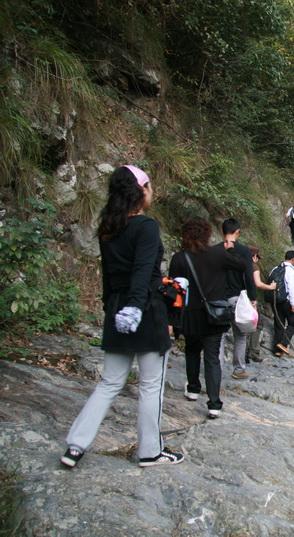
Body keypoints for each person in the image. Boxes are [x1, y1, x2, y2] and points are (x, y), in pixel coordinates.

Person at [61, 165, 184, 468]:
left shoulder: (108, 228)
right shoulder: (146, 226)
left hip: (117, 310)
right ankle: (150, 451)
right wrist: (137, 307)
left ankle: (75, 446)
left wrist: (111, 309)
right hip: (145, 310)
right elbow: (143, 272)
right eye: (150, 187)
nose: (152, 192)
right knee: (150, 385)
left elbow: (109, 277)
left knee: (109, 383)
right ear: (140, 191)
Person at [169, 217, 246, 419]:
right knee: (212, 358)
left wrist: (171, 319)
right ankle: (214, 404)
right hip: (214, 315)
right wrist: (230, 249)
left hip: (190, 314)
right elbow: (241, 265)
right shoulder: (217, 254)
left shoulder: (179, 258)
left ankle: (193, 388)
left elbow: (173, 291)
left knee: (192, 350)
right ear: (207, 234)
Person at [217, 218, 257, 380]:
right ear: (237, 231)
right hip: (237, 298)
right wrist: (253, 298)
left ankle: (216, 369)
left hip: (218, 297)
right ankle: (239, 370)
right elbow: (248, 275)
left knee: (218, 335)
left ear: (222, 231)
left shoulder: (215, 250)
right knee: (240, 335)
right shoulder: (243, 251)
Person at [246, 246, 275, 363]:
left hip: (237, 297)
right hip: (249, 298)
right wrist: (270, 287)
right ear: (254, 256)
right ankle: (253, 351)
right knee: (257, 323)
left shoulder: (238, 264)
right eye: (257, 257)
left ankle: (244, 351)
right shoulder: (253, 266)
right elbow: (257, 283)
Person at [270, 250, 294, 356]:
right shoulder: (290, 270)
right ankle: (283, 344)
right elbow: (291, 287)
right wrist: (293, 303)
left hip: (276, 300)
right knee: (292, 324)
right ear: (293, 259)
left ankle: (277, 350)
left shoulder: (276, 268)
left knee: (279, 324)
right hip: (286, 301)